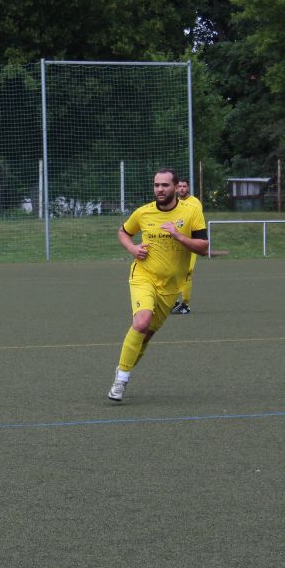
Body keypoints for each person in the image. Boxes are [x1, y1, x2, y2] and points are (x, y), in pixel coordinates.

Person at [108, 169, 208, 402]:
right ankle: (121, 380)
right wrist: (133, 249)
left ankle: (124, 367)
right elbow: (123, 232)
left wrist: (179, 236)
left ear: (175, 187)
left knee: (145, 336)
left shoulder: (191, 211)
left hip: (171, 286)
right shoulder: (143, 212)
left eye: (165, 185)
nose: (160, 189)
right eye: (156, 185)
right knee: (141, 322)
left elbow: (203, 247)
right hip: (143, 276)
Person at [172, 178, 204, 314]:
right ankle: (173, 301)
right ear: (176, 188)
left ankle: (185, 304)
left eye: (184, 186)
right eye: (179, 186)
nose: (182, 189)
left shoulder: (195, 203)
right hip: (175, 244)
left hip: (190, 243)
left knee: (187, 272)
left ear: (188, 188)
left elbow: (196, 222)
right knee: (171, 271)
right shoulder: (173, 202)